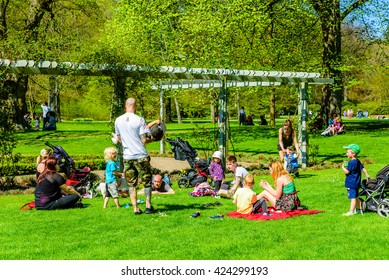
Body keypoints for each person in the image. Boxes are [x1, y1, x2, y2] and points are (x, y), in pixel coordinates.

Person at [114, 97, 159, 215]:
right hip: (141, 155)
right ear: (135, 106)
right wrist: (153, 139)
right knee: (147, 180)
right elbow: (144, 140)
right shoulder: (139, 119)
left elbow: (119, 139)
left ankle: (136, 208)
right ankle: (148, 206)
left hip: (128, 156)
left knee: (131, 183)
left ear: (125, 105)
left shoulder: (118, 120)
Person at [341, 144, 370, 216]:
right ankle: (360, 210)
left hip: (351, 183)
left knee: (353, 197)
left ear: (353, 153)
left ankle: (351, 212)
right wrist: (367, 175)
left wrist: (342, 167)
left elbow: (347, 172)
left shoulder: (351, 162)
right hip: (356, 182)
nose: (346, 153)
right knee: (356, 196)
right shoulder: (357, 161)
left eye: (348, 152)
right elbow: (363, 168)